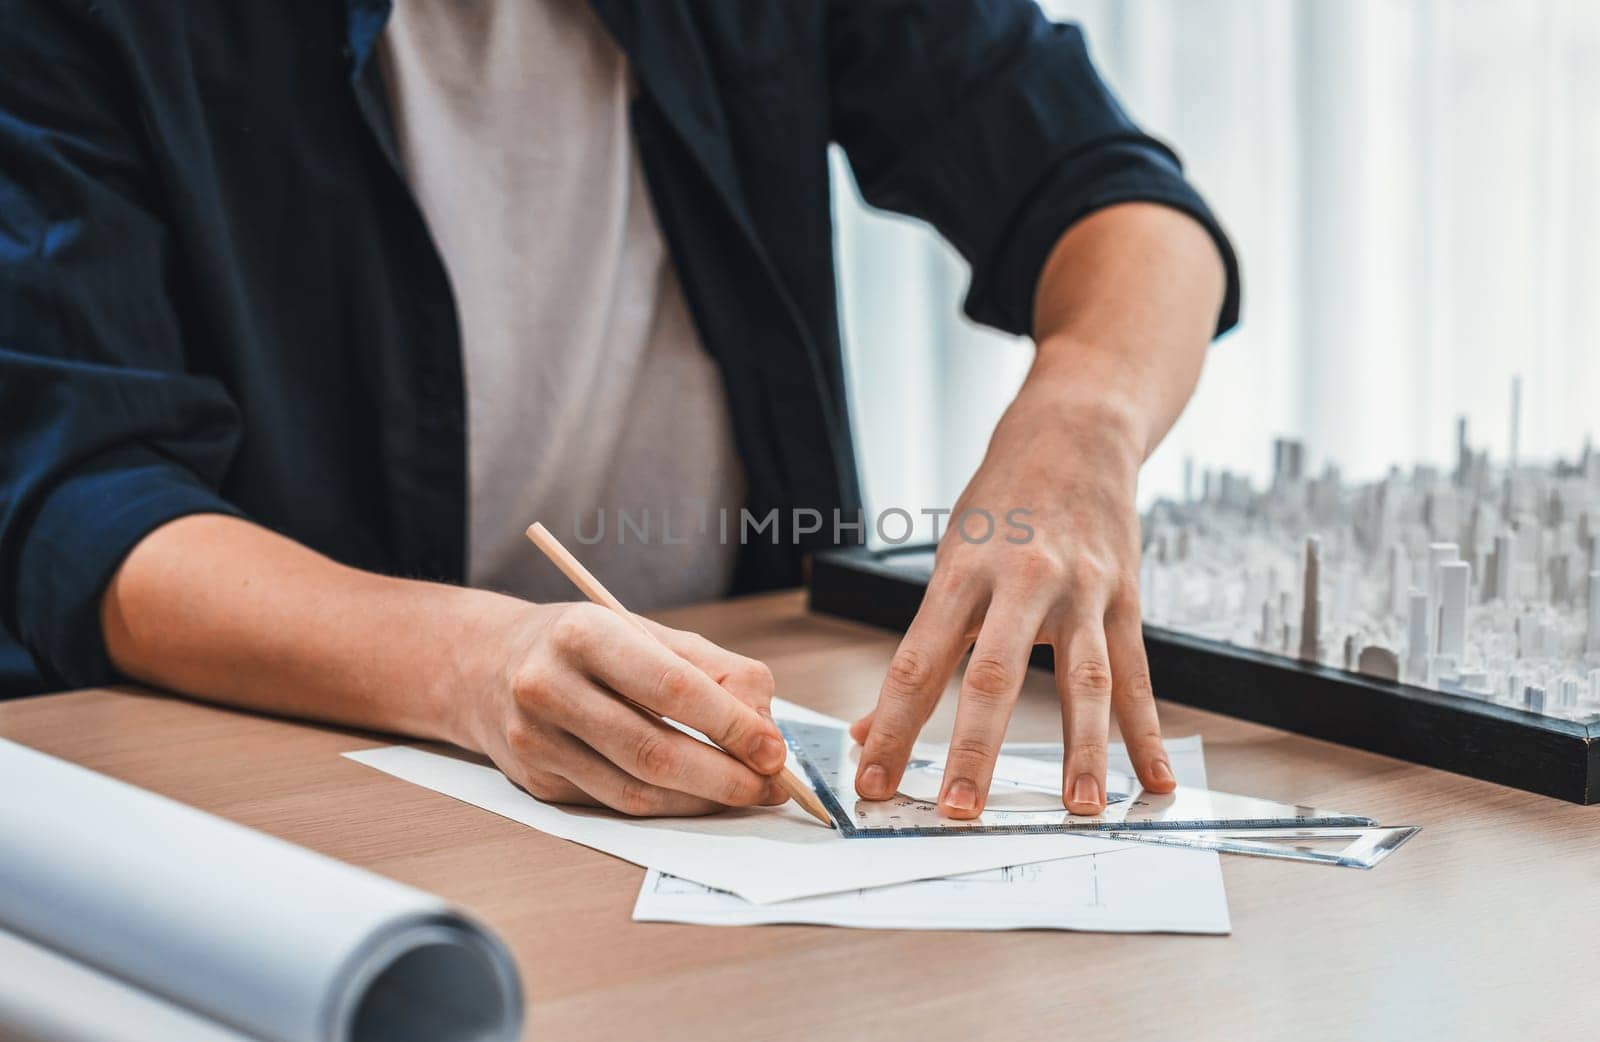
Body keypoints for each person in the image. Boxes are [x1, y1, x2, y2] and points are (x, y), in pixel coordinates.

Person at [0, 0, 1238, 820]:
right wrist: (471, 661)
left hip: (726, 769)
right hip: (294, 797)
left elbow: (1114, 196)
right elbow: (86, 507)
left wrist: (1081, 425)